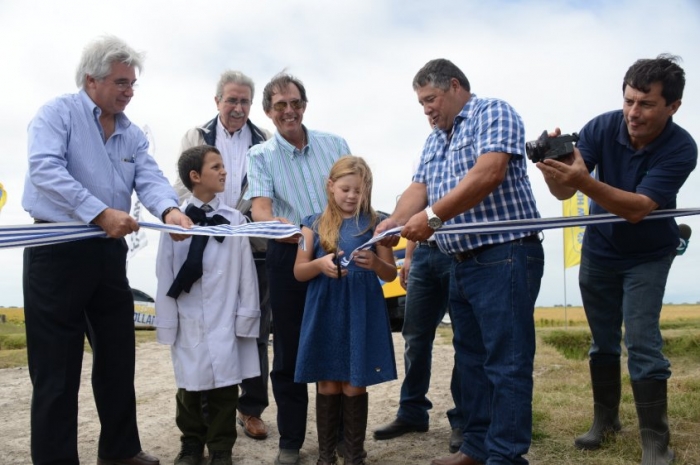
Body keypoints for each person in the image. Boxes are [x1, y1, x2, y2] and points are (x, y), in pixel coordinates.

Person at [21, 35, 192, 465]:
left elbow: (150, 178)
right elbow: (45, 169)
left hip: (107, 254)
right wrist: (99, 212)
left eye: (132, 83)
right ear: (91, 79)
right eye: (120, 82)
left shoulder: (131, 134)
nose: (128, 91)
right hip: (56, 251)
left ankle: (121, 451)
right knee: (57, 371)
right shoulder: (56, 114)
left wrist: (171, 211)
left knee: (117, 358)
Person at [376, 58, 544, 465]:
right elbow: (419, 188)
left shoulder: (493, 112)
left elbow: (489, 173)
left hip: (504, 253)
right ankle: (476, 447)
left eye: (430, 99)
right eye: (421, 103)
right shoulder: (435, 139)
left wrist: (432, 218)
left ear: (454, 86)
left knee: (506, 361)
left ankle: (505, 456)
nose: (427, 109)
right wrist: (391, 225)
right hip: (461, 262)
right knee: (470, 360)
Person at [536, 54, 697, 465]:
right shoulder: (601, 127)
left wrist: (583, 181)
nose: (633, 112)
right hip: (600, 250)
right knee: (602, 341)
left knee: (641, 341)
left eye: (645, 104)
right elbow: (565, 194)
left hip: (649, 254)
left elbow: (639, 208)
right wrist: (551, 168)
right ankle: (605, 423)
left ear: (673, 106)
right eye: (628, 100)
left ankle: (655, 442)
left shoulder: (682, 148)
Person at [245, 72, 351, 465]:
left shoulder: (335, 144)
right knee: (288, 350)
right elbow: (260, 210)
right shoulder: (260, 156)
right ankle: (291, 441)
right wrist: (305, 236)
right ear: (269, 113)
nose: (288, 111)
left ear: (304, 104)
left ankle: (341, 437)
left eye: (295, 103)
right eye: (279, 106)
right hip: (289, 257)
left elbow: (355, 192)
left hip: (339, 253)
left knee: (338, 343)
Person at [174, 70, 273, 441]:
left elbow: (267, 189)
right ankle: (204, 409)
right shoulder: (196, 137)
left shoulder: (265, 141)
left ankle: (251, 409)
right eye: (231, 99)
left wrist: (243, 220)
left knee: (256, 328)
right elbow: (183, 182)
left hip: (252, 243)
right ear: (217, 101)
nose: (238, 107)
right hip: (204, 243)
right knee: (202, 325)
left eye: (245, 101)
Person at [156, 145, 261, 465]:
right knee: (189, 385)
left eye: (223, 166)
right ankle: (191, 443)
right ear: (195, 176)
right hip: (189, 316)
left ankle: (221, 447)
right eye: (216, 167)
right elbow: (165, 272)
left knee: (226, 388)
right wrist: (167, 320)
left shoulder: (233, 220)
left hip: (225, 314)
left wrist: (245, 315)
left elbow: (246, 272)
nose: (224, 171)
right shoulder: (175, 220)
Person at [293, 155, 398, 465]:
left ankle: (353, 456)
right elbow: (299, 271)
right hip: (325, 308)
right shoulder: (310, 224)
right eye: (346, 189)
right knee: (326, 379)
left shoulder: (377, 223)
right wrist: (319, 264)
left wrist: (376, 263)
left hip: (360, 311)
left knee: (355, 380)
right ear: (331, 186)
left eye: (359, 190)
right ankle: (326, 457)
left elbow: (390, 273)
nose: (352, 196)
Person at [373, 124, 464, 455]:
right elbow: (419, 207)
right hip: (425, 254)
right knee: (414, 336)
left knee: (464, 340)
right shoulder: (427, 151)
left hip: (460, 251)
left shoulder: (471, 146)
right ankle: (412, 412)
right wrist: (409, 257)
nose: (429, 112)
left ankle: (463, 420)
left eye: (432, 101)